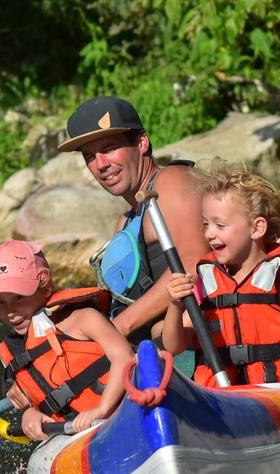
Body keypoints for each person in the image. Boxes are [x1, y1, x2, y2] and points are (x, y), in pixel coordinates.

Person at [161, 162, 280, 387]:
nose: (209, 234)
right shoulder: (207, 280)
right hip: (224, 396)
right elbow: (174, 346)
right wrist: (174, 305)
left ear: (256, 228)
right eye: (206, 224)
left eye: (220, 225)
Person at [58, 95, 207, 343]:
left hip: (191, 350)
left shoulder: (173, 181)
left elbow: (195, 263)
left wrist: (118, 328)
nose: (100, 164)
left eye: (108, 149)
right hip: (146, 349)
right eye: (89, 156)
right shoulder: (126, 220)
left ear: (141, 143)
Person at [0, 240, 132, 441]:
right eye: (0, 303)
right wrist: (29, 415)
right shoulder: (14, 352)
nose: (10, 312)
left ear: (45, 286)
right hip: (75, 436)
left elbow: (125, 357)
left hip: (124, 410)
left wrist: (102, 409)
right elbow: (37, 400)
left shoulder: (83, 318)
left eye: (19, 298)